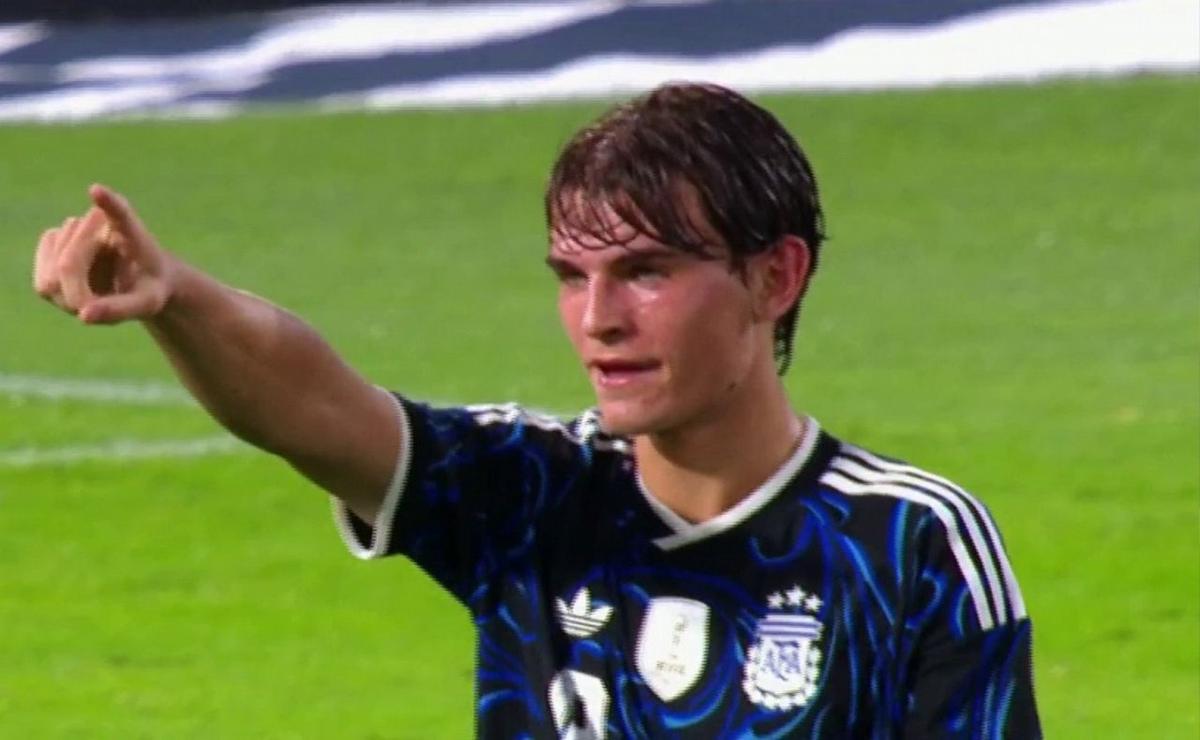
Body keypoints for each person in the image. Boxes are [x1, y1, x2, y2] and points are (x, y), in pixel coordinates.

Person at [32, 82, 1040, 738]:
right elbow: (312, 408)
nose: (599, 319)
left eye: (646, 271)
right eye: (572, 275)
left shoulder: (910, 540)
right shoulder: (532, 490)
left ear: (776, 275)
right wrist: (179, 300)